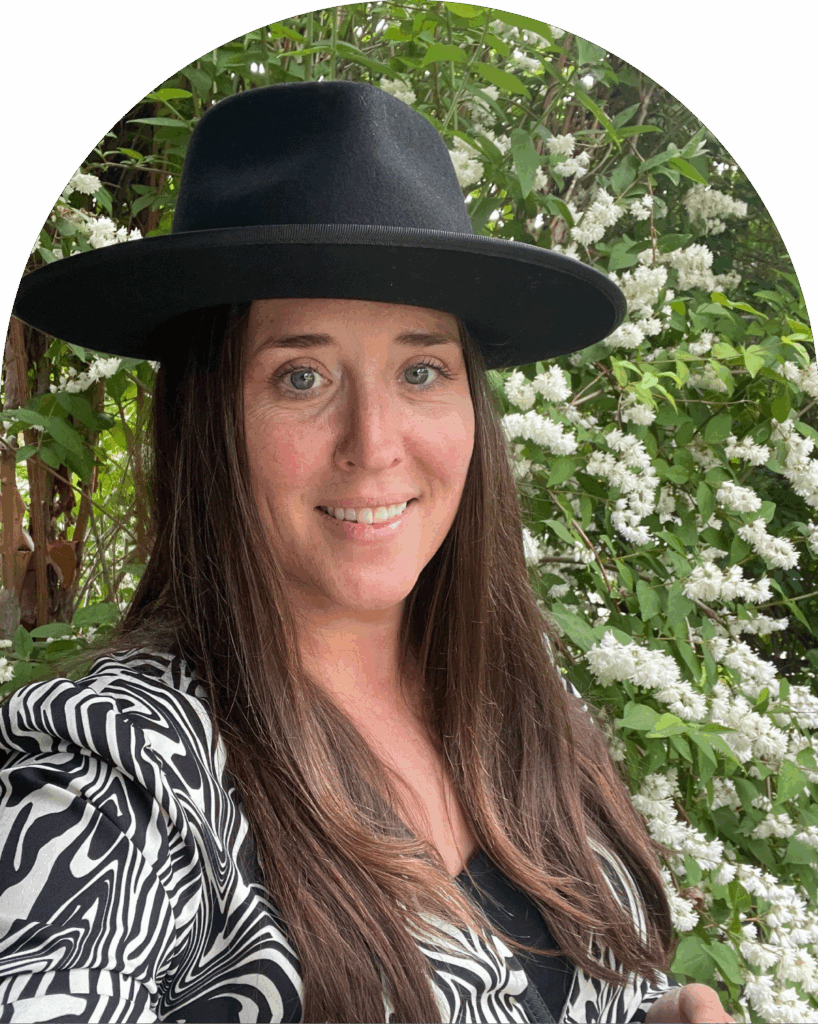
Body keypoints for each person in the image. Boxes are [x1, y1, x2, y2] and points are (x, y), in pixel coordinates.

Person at [2, 81, 736, 1024]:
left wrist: (660, 1013)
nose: (375, 444)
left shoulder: (512, 695)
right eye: (301, 377)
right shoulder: (119, 770)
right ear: (207, 419)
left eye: (421, 370)